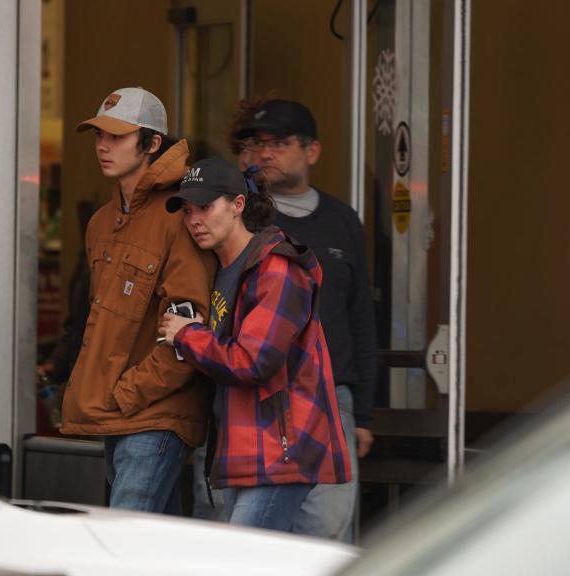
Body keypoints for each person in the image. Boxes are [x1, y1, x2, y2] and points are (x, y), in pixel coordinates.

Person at [158, 157, 350, 533]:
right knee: (262, 569)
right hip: (246, 445)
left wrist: (187, 334)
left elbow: (252, 361)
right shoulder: (221, 269)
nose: (194, 219)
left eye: (206, 207)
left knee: (240, 564)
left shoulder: (277, 267)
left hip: (280, 449)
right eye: (187, 210)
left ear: (238, 205)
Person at [60, 87, 215, 514]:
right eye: (98, 136)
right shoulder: (100, 223)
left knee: (125, 534)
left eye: (116, 136)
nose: (102, 146)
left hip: (156, 414)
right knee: (146, 545)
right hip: (117, 414)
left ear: (151, 144)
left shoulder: (180, 215)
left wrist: (125, 394)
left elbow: (189, 329)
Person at [235, 99, 377, 542]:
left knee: (327, 528)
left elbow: (360, 317)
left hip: (332, 396)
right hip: (261, 393)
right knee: (255, 533)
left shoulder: (342, 221)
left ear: (312, 151)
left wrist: (364, 412)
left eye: (278, 142)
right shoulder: (242, 217)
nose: (265, 153)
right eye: (257, 143)